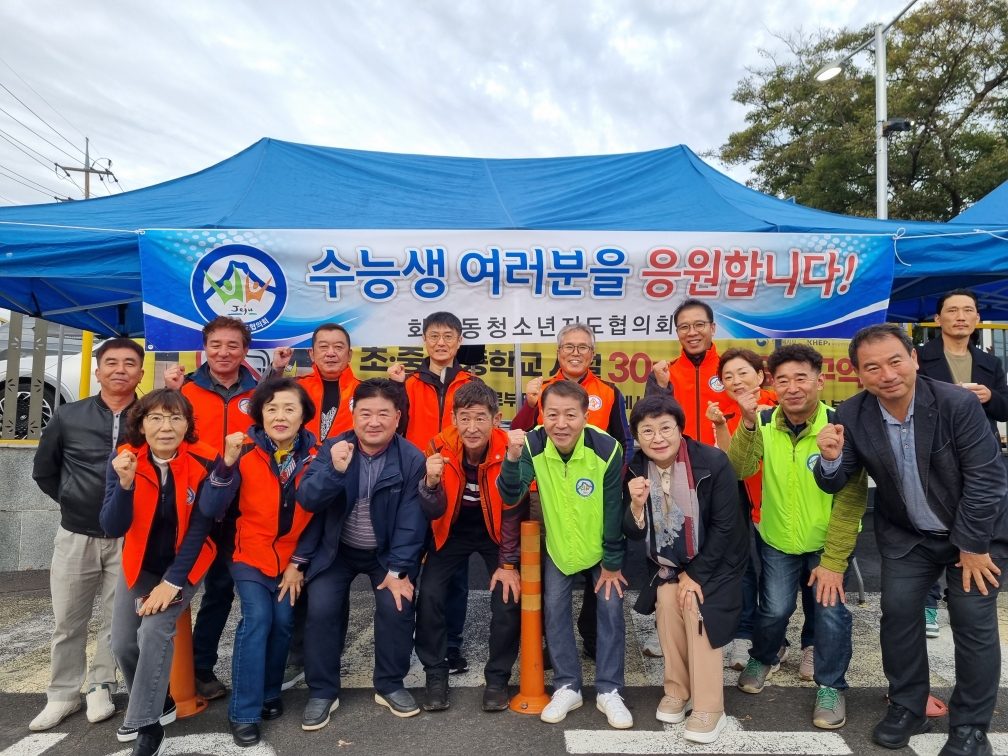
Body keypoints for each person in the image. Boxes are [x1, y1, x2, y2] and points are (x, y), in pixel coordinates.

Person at [815, 323, 1008, 756]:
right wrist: (828, 460)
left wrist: (973, 547)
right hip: (909, 536)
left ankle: (971, 729)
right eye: (873, 367)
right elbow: (837, 480)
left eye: (895, 361)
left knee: (973, 624)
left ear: (915, 359)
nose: (887, 374)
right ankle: (908, 705)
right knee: (898, 614)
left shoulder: (956, 404)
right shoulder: (851, 413)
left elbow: (987, 479)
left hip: (975, 536)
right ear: (859, 375)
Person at [729, 344, 866, 730]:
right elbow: (739, 468)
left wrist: (835, 559)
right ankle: (764, 656)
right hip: (776, 541)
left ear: (820, 381)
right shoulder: (766, 421)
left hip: (827, 545)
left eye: (801, 378)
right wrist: (747, 422)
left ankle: (831, 686)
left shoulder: (840, 426)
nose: (792, 387)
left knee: (830, 615)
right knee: (773, 609)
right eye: (783, 380)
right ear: (773, 383)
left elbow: (851, 498)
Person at [498, 380, 632, 729]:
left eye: (571, 415)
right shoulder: (532, 442)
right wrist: (511, 458)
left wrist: (613, 562)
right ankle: (567, 685)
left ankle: (609, 690)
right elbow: (511, 494)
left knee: (611, 610)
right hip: (557, 547)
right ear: (542, 414)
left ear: (586, 416)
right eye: (552, 414)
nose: (561, 423)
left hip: (600, 547)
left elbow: (614, 507)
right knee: (554, 612)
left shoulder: (608, 448)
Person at [295, 378, 428, 730]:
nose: (374, 421)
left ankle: (390, 684)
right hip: (336, 550)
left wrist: (399, 569)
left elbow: (412, 521)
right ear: (353, 415)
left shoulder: (412, 457)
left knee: (396, 605)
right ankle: (323, 691)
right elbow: (308, 499)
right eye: (365, 412)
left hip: (385, 553)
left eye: (383, 414)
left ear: (397, 417)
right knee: (321, 608)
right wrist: (336, 471)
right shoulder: (335, 447)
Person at [30, 337, 145, 731]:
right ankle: (62, 695)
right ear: (97, 371)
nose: (120, 370)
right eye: (111, 362)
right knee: (68, 620)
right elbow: (44, 470)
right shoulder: (69, 415)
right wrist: (70, 500)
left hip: (129, 536)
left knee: (117, 619)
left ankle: (101, 685)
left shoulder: (147, 418)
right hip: (75, 533)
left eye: (130, 363)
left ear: (141, 373)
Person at [199, 378, 319, 747]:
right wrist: (226, 466)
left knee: (283, 622)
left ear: (303, 417)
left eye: (289, 409)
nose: (279, 416)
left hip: (291, 560)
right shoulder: (244, 451)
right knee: (258, 621)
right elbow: (210, 508)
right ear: (260, 415)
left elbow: (322, 517)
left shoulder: (318, 458)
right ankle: (244, 711)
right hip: (248, 554)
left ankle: (270, 693)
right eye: (271, 409)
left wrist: (298, 563)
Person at [101, 389, 219, 756]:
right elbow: (112, 525)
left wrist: (173, 582)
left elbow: (201, 529)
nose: (166, 426)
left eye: (175, 418)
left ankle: (144, 724)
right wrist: (123, 484)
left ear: (188, 425)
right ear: (140, 423)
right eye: (155, 418)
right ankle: (160, 702)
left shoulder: (205, 461)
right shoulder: (124, 460)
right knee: (122, 642)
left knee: (154, 629)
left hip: (187, 561)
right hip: (140, 562)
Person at [624, 394, 748, 744]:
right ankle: (678, 688)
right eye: (647, 431)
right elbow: (632, 531)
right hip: (670, 564)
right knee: (666, 601)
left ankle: (710, 705)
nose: (657, 437)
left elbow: (726, 527)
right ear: (637, 435)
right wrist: (635, 504)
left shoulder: (712, 461)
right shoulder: (635, 467)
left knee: (694, 605)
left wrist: (695, 576)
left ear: (680, 429)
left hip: (719, 560)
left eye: (666, 427)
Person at [510, 322, 631, 659]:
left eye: (583, 347)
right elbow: (519, 437)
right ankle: (551, 644)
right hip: (543, 492)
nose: (575, 353)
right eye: (569, 347)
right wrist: (529, 403)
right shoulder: (542, 389)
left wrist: (613, 482)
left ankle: (591, 635)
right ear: (558, 352)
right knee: (551, 571)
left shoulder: (608, 391)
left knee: (598, 566)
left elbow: (623, 441)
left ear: (592, 354)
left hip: (592, 489)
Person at [415, 381, 526, 712]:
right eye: (464, 418)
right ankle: (436, 674)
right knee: (431, 595)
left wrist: (508, 564)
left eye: (480, 417)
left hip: (498, 534)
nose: (472, 427)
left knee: (507, 598)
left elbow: (515, 510)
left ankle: (497, 679)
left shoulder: (512, 449)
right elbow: (431, 511)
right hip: (452, 530)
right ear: (453, 418)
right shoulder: (438, 446)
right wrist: (430, 483)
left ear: (497, 418)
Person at [164, 316, 259, 700]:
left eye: (232, 345)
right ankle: (166, 676)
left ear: (245, 350)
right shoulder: (183, 391)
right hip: (193, 506)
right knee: (177, 587)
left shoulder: (260, 392)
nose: (224, 352)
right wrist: (170, 393)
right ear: (205, 346)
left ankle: (200, 668)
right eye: (216, 344)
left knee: (222, 589)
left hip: (242, 507)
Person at [707, 349, 816, 679]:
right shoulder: (725, 409)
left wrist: (757, 417)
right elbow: (732, 467)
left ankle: (812, 644)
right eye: (728, 377)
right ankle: (771, 642)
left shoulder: (780, 401)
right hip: (761, 506)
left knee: (813, 580)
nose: (736, 381)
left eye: (743, 373)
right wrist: (720, 425)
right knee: (770, 585)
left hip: (803, 506)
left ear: (760, 375)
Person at [269, 323, 360, 690]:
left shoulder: (365, 392)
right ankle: (295, 654)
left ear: (350, 354)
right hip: (301, 488)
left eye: (339, 346)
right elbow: (265, 411)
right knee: (296, 572)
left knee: (330, 578)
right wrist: (277, 372)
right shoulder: (297, 389)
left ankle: (327, 654)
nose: (331, 352)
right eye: (323, 346)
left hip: (346, 492)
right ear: (313, 352)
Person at [915, 289, 1008, 639]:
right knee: (926, 525)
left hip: (978, 454)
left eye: (968, 310)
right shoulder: (920, 357)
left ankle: (961, 593)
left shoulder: (990, 363)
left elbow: (1005, 408)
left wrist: (990, 396)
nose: (960, 316)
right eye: (952, 310)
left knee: (975, 520)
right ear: (937, 319)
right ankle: (928, 600)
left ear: (977, 319)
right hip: (932, 450)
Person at [388, 311, 477, 674]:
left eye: (449, 336)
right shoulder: (407, 383)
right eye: (434, 336)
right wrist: (394, 387)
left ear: (459, 341)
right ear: (424, 340)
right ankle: (404, 637)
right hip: (411, 486)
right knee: (404, 563)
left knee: (452, 571)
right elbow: (394, 430)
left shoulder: (471, 383)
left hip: (455, 488)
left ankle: (451, 644)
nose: (441, 342)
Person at [647, 298, 724, 446]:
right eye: (684, 327)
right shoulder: (663, 374)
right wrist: (660, 387)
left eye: (699, 325)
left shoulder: (730, 370)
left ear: (713, 328)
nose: (692, 333)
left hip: (725, 459)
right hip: (679, 460)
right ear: (677, 332)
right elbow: (651, 419)